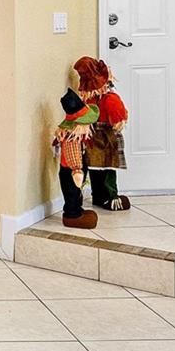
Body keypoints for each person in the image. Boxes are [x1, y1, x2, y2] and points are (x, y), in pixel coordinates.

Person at [74, 56, 131, 212]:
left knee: (97, 166)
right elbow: (119, 119)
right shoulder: (108, 99)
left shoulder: (92, 101)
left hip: (95, 138)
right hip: (103, 137)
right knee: (104, 167)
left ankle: (101, 196)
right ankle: (107, 197)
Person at [53, 88, 99, 229]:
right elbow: (72, 155)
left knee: (76, 192)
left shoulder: (76, 137)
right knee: (72, 192)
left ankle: (77, 210)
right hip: (71, 171)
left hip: (73, 169)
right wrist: (77, 170)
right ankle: (71, 215)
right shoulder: (71, 139)